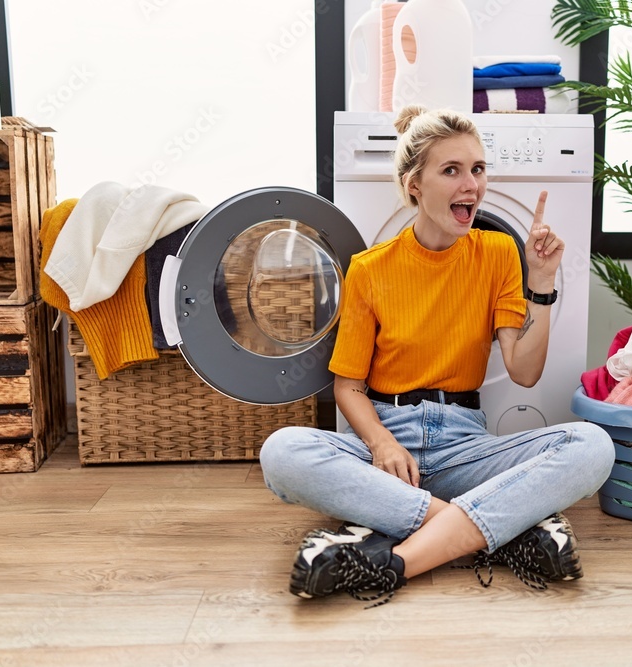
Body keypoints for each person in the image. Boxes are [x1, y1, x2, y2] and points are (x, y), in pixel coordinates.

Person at [259, 105, 614, 606]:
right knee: (282, 453)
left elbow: (525, 371)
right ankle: (500, 530)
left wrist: (543, 279)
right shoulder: (370, 269)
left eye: (477, 169)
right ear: (414, 186)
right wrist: (381, 444)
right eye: (451, 170)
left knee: (592, 444)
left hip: (464, 444)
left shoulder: (496, 255)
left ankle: (394, 560)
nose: (471, 184)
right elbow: (348, 386)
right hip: (385, 443)